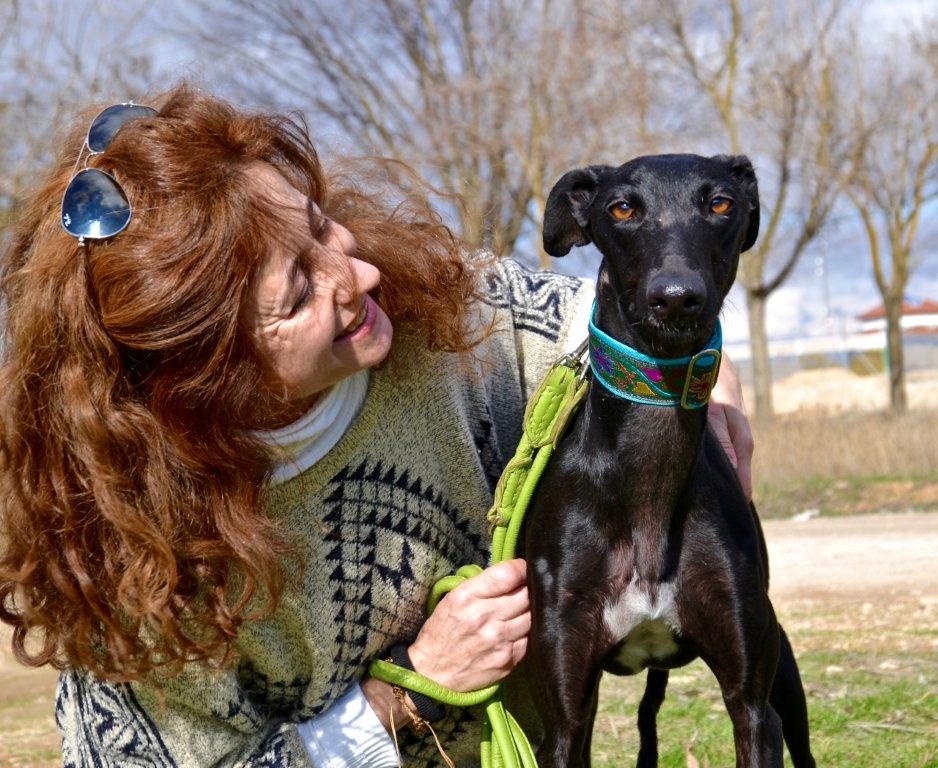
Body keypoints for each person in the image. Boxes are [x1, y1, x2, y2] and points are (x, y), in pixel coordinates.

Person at [0, 83, 753, 767]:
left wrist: (713, 389)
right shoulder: (138, 565)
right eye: (299, 293)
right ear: (202, 372)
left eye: (322, 227)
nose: (357, 276)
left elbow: (627, 317)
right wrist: (413, 688)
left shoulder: (454, 320)